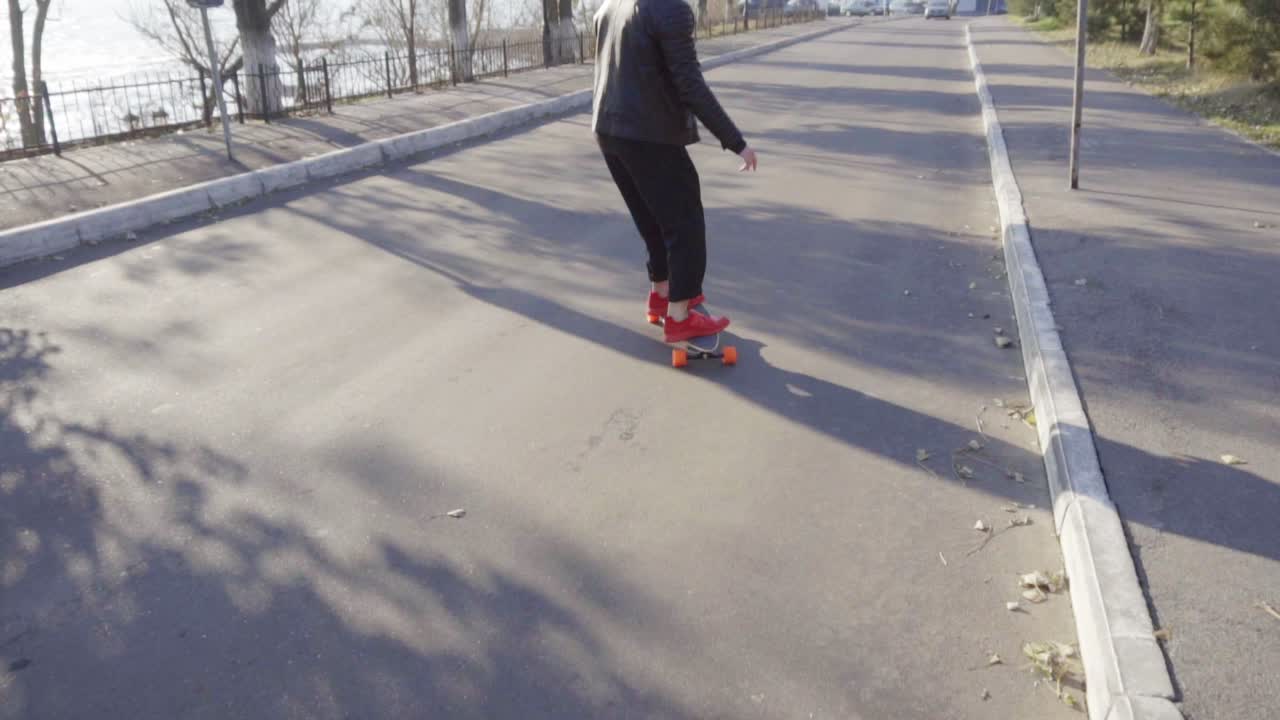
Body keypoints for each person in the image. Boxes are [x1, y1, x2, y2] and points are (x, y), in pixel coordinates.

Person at [591, 0, 759, 343]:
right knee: (685, 222)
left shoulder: (611, 5)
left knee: (652, 218)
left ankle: (661, 292)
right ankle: (680, 315)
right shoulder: (670, 9)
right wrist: (734, 140)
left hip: (608, 129)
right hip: (648, 133)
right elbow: (690, 85)